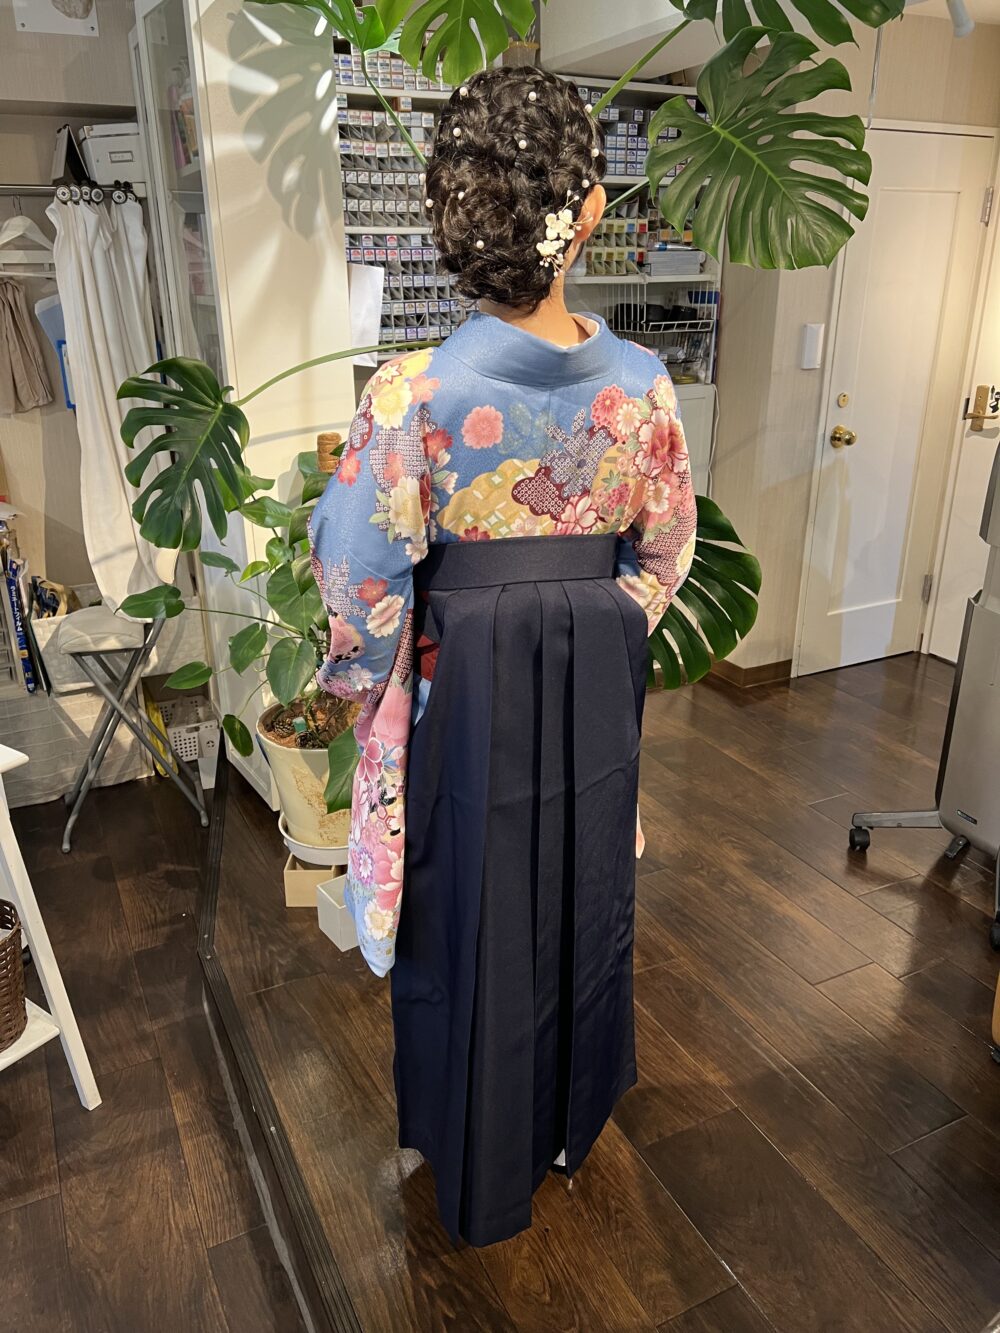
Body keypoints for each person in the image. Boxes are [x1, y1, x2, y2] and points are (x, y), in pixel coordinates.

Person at [309, 65, 697, 1248]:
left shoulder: (410, 396)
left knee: (465, 911)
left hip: (458, 695)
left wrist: (370, 684)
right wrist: (589, 631)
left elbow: (360, 583)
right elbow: (663, 551)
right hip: (591, 682)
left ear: (455, 220)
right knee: (586, 894)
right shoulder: (641, 391)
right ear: (587, 212)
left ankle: (475, 1142)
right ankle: (572, 1123)